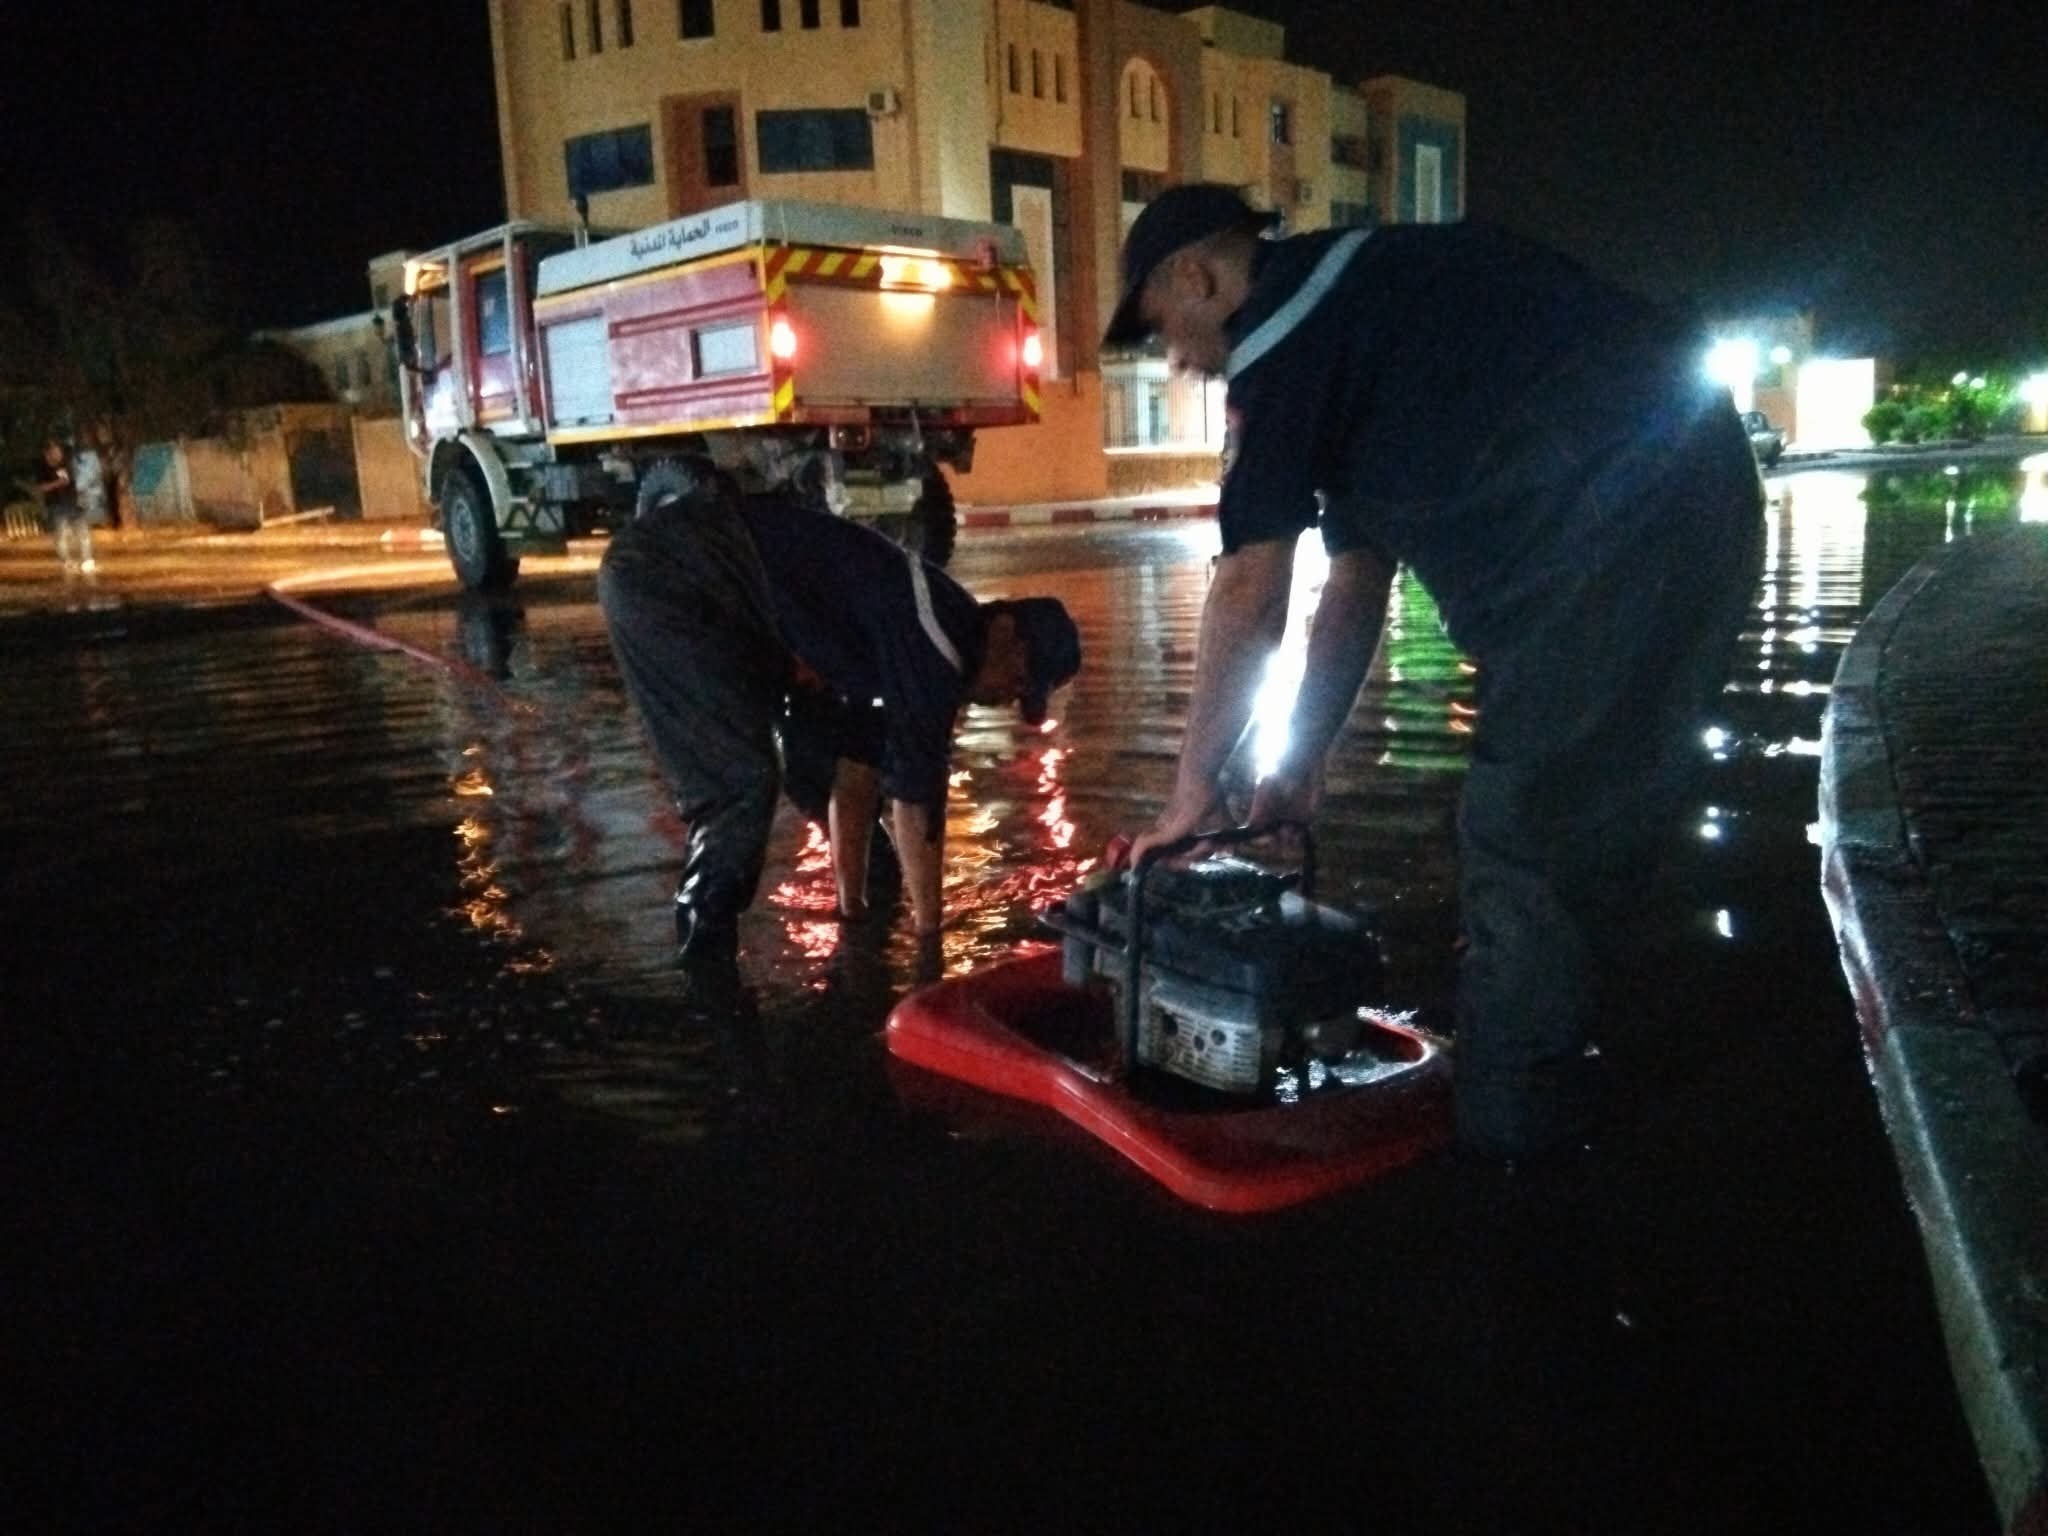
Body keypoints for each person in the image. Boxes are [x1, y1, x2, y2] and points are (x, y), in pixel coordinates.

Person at [1112, 184, 1765, 1163]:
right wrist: (1294, 765)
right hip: (1697, 498)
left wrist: (1189, 797)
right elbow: (1353, 584)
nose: (1178, 359)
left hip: (1601, 523)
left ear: (1196, 277)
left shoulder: (1283, 335)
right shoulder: (1366, 310)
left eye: (1164, 329)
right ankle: (1629, 1132)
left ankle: (1510, 1189)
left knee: (1521, 853)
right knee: (1597, 848)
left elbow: (1250, 583)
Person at [599, 484, 1081, 1002]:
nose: (1010, 698)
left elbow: (856, 776)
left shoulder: (926, 636)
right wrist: (930, 953)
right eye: (1020, 681)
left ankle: (838, 940)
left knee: (813, 776)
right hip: (674, 578)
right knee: (738, 784)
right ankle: (706, 985)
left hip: (718, 592)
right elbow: (916, 802)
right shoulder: (934, 646)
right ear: (1006, 631)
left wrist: (851, 915)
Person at [33, 437, 95, 577]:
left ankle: (87, 560)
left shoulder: (66, 465)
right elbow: (40, 488)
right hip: (56, 506)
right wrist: (57, 484)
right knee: (60, 537)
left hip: (73, 504)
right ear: (47, 454)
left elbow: (75, 481)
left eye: (58, 451)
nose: (57, 454)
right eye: (54, 452)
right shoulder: (42, 469)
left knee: (83, 533)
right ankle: (66, 561)